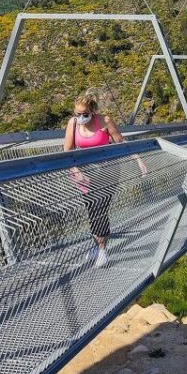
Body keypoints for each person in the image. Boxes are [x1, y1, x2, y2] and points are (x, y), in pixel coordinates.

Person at [63, 91, 124, 268]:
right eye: (78, 114)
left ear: (93, 111)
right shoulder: (73, 124)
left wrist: (137, 158)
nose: (81, 117)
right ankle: (96, 246)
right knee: (92, 210)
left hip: (107, 172)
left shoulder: (104, 121)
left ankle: (103, 250)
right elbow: (67, 150)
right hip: (83, 176)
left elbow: (121, 142)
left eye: (85, 114)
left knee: (100, 209)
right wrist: (75, 170)